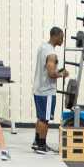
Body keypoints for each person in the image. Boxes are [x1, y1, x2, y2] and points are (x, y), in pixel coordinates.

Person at [31, 27, 63, 156]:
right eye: (62, 37)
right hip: (47, 92)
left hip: (39, 89)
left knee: (40, 118)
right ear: (55, 36)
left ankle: (37, 142)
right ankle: (42, 146)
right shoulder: (51, 53)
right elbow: (51, 73)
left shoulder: (42, 47)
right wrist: (62, 74)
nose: (62, 40)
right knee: (45, 119)